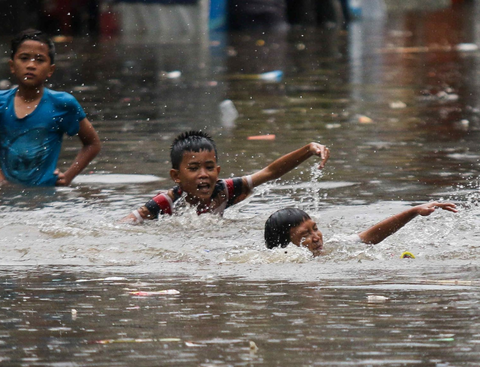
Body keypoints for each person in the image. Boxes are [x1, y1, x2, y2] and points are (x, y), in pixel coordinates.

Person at [122, 130, 330, 223]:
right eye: (193, 168)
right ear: (176, 176)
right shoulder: (164, 203)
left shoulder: (225, 189)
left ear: (218, 171)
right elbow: (122, 226)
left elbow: (270, 172)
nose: (203, 175)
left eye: (209, 167)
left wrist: (309, 149)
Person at [0, 29, 101, 187]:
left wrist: (68, 176)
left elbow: (92, 144)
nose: (31, 65)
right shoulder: (1, 103)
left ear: (50, 70)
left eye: (39, 60)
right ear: (12, 66)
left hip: (46, 200)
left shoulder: (62, 104)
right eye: (24, 58)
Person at [265, 202, 458, 256]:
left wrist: (414, 211)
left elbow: (372, 235)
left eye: (315, 229)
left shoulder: (335, 246)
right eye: (305, 235)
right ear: (285, 243)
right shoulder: (280, 260)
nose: (316, 237)